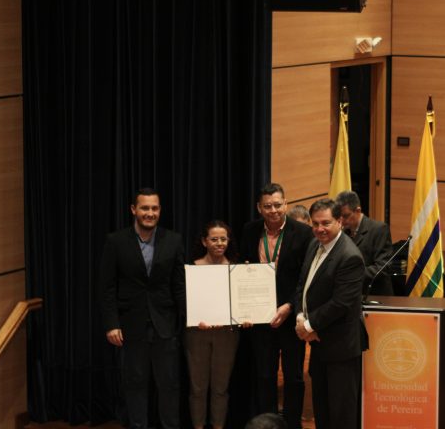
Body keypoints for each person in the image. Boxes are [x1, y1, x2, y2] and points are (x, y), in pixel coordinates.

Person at [99, 187, 185, 429]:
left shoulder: (174, 240)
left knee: (169, 385)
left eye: (154, 208)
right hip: (130, 325)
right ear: (134, 210)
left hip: (165, 325)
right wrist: (112, 324)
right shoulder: (115, 241)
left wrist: (191, 317)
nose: (150, 213)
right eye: (145, 208)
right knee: (135, 384)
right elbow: (106, 288)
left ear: (160, 210)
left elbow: (179, 286)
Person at [241, 183, 314, 429]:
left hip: (289, 316)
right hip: (260, 319)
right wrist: (245, 311)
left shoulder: (303, 233)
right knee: (264, 376)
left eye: (278, 205)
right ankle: (267, 424)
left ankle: (292, 425)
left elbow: (306, 278)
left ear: (286, 204)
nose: (273, 210)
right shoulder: (249, 231)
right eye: (267, 206)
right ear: (259, 208)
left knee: (293, 377)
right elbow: (242, 272)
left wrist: (289, 307)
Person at [294, 198, 367, 429]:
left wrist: (308, 325)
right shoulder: (315, 244)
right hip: (320, 345)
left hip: (341, 350)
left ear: (339, 221)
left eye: (325, 223)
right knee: (323, 412)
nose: (319, 229)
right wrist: (299, 315)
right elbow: (302, 285)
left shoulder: (350, 256)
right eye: (315, 224)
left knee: (342, 416)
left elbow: (341, 303)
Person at [185, 221, 247, 429]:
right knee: (198, 388)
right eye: (214, 239)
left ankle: (218, 426)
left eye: (223, 239)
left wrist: (246, 316)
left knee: (221, 388)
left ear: (229, 241)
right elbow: (184, 303)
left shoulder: (237, 268)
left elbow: (243, 303)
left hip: (227, 335)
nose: (219, 243)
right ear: (204, 241)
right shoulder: (192, 268)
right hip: (197, 334)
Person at [335, 190, 394, 295]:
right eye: (339, 217)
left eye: (346, 216)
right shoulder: (343, 233)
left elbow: (383, 267)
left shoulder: (379, 229)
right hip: (351, 295)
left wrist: (352, 274)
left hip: (375, 295)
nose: (342, 221)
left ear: (358, 211)